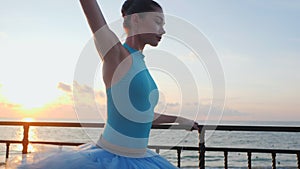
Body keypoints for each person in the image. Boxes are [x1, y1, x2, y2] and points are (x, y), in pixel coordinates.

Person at [14, 0, 199, 168]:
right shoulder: (116, 54)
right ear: (135, 20)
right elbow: (90, 8)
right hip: (111, 159)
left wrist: (181, 121)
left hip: (141, 158)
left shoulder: (140, 63)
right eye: (158, 22)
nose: (163, 30)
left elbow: (141, 115)